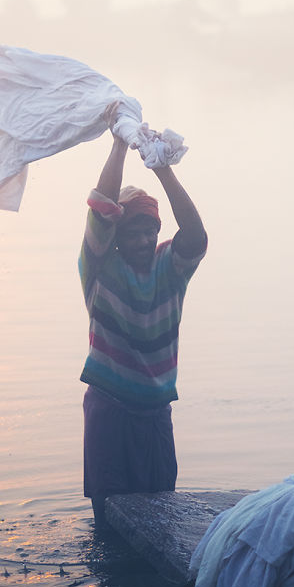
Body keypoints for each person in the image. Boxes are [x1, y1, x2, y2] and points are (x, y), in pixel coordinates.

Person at [78, 115, 207, 526]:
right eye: (132, 233)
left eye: (149, 231)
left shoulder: (169, 267)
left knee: (160, 517)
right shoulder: (99, 268)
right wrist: (118, 144)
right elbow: (101, 205)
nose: (143, 240)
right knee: (110, 516)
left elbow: (197, 235)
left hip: (155, 413)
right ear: (116, 240)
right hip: (110, 412)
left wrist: (162, 168)